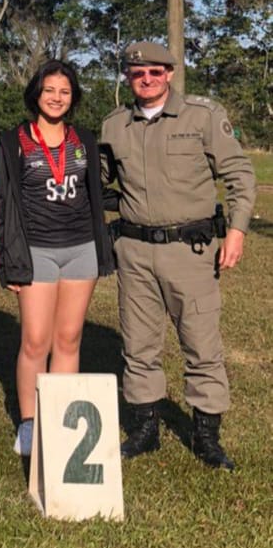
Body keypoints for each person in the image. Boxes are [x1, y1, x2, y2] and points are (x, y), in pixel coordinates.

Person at [101, 42, 256, 471]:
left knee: (201, 345)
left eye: (155, 72)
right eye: (137, 73)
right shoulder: (114, 125)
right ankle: (145, 430)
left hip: (190, 251)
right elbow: (98, 178)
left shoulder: (201, 117)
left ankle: (206, 437)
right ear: (128, 77)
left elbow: (239, 174)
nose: (146, 79)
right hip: (134, 252)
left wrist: (238, 230)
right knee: (138, 345)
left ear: (169, 73)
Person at [0, 60, 115, 456]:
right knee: (35, 341)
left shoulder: (85, 140)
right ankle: (29, 423)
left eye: (64, 91)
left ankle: (60, 419)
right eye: (49, 91)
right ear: (36, 94)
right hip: (36, 251)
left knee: (69, 339)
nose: (57, 98)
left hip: (81, 250)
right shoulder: (13, 141)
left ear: (73, 97)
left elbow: (98, 194)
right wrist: (2, 259)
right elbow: (0, 202)